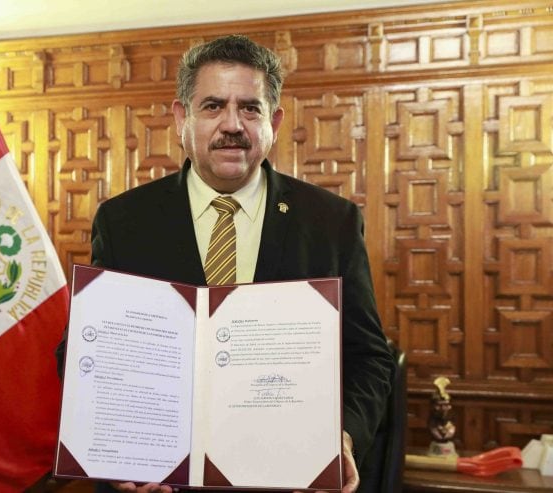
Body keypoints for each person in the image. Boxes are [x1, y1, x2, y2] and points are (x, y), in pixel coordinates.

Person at [58, 34, 395, 493]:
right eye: (213, 106)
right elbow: (84, 356)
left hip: (283, 480)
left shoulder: (330, 221)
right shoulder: (124, 221)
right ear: (183, 117)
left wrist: (344, 437)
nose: (232, 124)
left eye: (250, 108)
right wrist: (115, 452)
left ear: (273, 120)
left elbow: (370, 359)